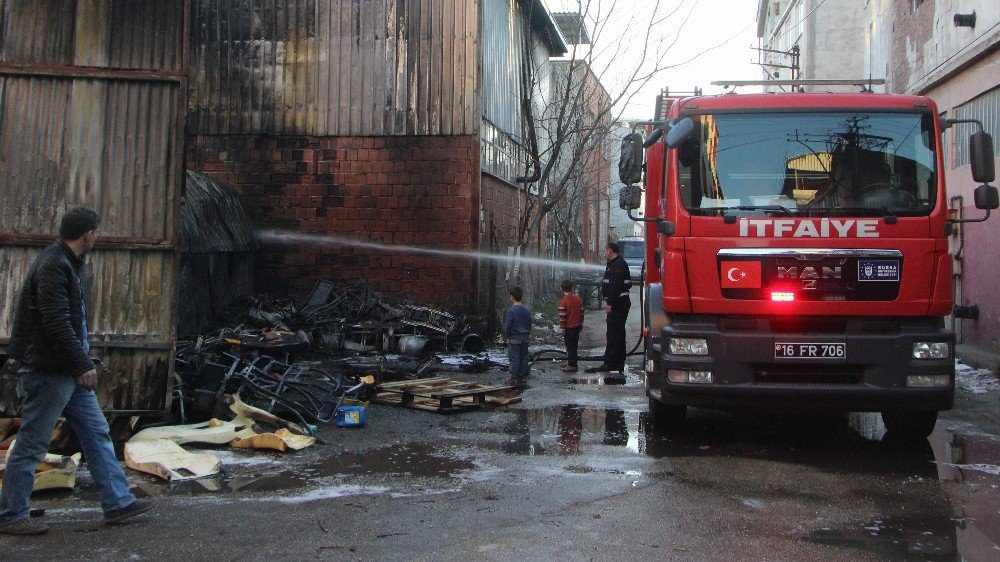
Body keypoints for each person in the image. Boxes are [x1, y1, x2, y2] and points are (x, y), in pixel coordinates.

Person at [1, 207, 153, 535]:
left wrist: (78, 363)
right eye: (96, 232)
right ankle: (11, 515)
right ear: (87, 234)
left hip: (64, 371)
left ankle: (118, 502)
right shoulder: (55, 265)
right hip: (50, 371)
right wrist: (81, 363)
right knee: (32, 442)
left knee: (97, 432)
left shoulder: (66, 263)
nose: (97, 237)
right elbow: (56, 323)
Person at [586, 242, 632, 373]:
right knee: (617, 333)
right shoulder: (615, 264)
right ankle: (617, 362)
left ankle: (611, 363)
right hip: (619, 303)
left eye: (605, 251)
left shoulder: (617, 264)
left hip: (618, 304)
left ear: (610, 251)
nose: (604, 253)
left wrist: (610, 303)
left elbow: (616, 286)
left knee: (614, 334)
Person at [503, 286, 532, 386]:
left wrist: (507, 335)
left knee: (514, 358)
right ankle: (523, 376)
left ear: (511, 297)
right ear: (522, 297)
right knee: (524, 357)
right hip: (525, 337)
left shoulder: (511, 311)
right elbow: (529, 324)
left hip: (514, 337)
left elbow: (508, 326)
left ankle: (514, 378)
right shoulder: (527, 309)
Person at [557, 280, 584, 373]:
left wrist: (563, 328)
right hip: (577, 326)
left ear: (561, 289)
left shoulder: (563, 302)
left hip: (569, 327)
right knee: (575, 345)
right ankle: (572, 362)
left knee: (570, 346)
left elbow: (562, 317)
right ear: (572, 288)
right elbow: (581, 312)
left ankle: (572, 365)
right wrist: (581, 323)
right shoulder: (578, 299)